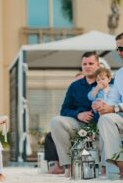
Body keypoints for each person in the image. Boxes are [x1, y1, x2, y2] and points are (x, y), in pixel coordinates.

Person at [50, 51, 100, 176]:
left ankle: (108, 168)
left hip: (101, 124)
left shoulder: (108, 83)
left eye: (91, 63)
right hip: (79, 124)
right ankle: (70, 165)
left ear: (98, 65)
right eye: (84, 64)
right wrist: (78, 114)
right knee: (56, 121)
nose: (87, 66)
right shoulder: (74, 86)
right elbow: (64, 110)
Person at [92, 32, 123, 179]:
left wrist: (115, 108)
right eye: (117, 49)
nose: (119, 52)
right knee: (105, 119)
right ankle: (120, 165)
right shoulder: (120, 74)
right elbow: (113, 98)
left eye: (122, 48)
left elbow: (116, 106)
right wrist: (104, 106)